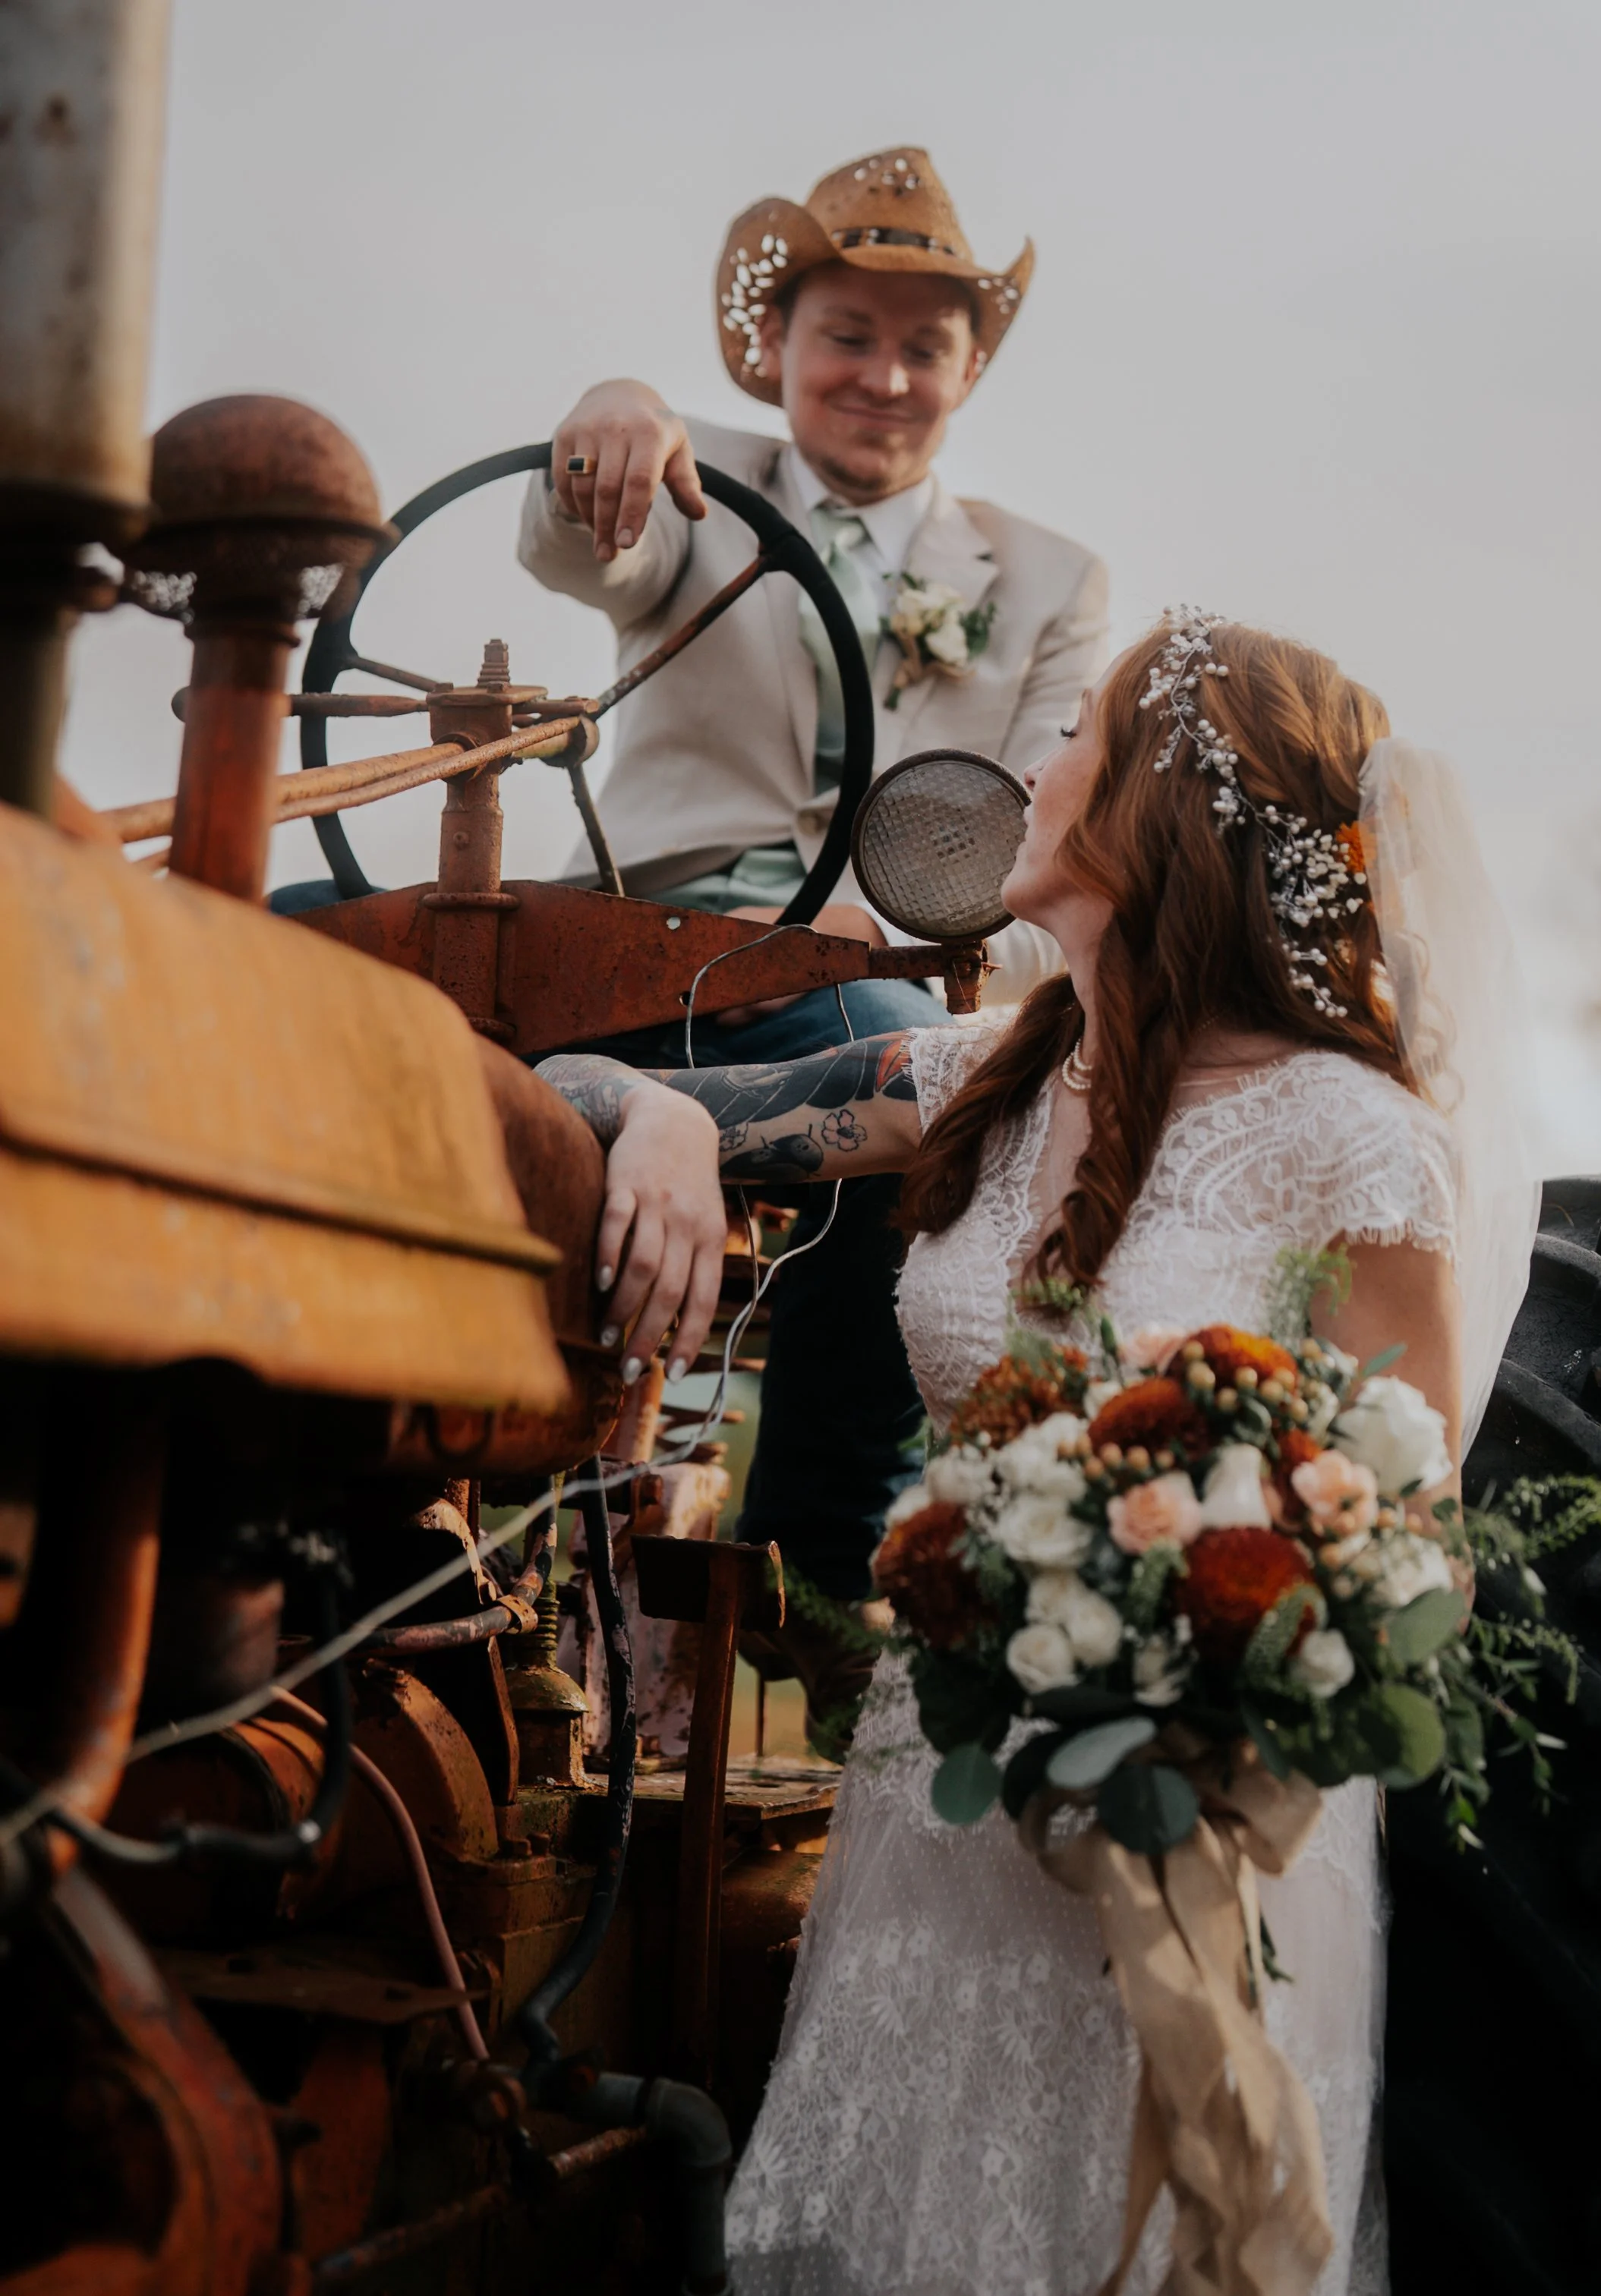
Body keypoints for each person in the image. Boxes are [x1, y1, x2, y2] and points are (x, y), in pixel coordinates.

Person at [538, 616, 1536, 2294]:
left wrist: (1164, 1676)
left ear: (1157, 809)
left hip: (1196, 1841)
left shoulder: (1359, 1144)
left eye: (1071, 734)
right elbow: (567, 1077)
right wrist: (669, 1120)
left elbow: (1397, 1547)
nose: (1032, 771)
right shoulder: (973, 1083)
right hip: (934, 1810)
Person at [518, 150, 1108, 1737]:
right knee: (339, 959)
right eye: (846, 333)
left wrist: (891, 919)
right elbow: (593, 546)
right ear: (772, 345)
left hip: (874, 968)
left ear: (971, 368)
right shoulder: (689, 473)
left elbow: (1052, 816)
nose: (884, 376)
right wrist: (609, 416)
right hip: (639, 944)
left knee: (929, 1105)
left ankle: (819, 1550)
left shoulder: (1048, 580)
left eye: (925, 346)